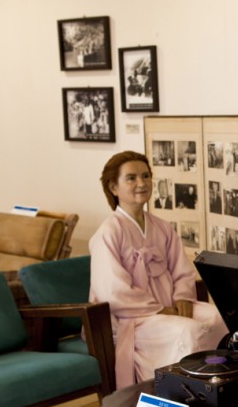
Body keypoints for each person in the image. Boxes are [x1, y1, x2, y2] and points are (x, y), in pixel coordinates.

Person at [89, 151, 228, 389]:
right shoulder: (108, 233)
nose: (141, 183)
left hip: (171, 305)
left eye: (146, 176)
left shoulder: (162, 227)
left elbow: (182, 270)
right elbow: (113, 291)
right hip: (132, 317)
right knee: (188, 330)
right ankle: (185, 394)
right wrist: (160, 309)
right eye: (131, 178)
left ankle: (219, 391)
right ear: (113, 187)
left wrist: (182, 298)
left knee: (218, 317)